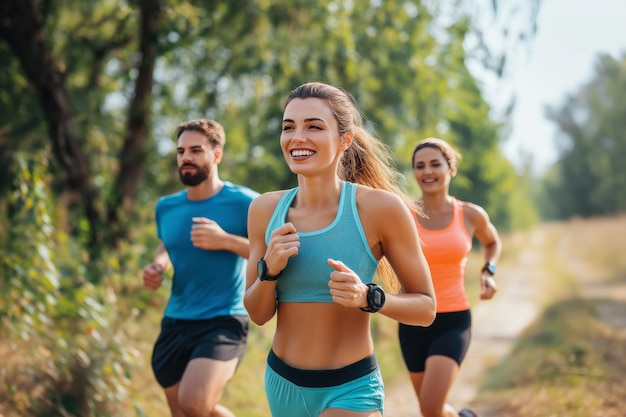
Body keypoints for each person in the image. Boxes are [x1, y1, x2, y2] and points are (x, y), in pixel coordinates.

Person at [243, 81, 436, 417]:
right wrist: (269, 270)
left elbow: (426, 308)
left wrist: (370, 298)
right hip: (282, 384)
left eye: (314, 126)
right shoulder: (263, 210)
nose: (297, 137)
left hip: (351, 387)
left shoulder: (380, 209)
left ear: (345, 140)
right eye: (289, 127)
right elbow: (258, 314)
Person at [142, 119, 259, 417]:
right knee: (184, 411)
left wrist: (226, 240)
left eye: (196, 150)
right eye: (181, 151)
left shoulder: (246, 203)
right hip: (175, 321)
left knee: (194, 404)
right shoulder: (166, 206)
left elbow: (271, 253)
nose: (186, 158)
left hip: (223, 319)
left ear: (216, 155)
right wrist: (158, 265)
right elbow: (167, 243)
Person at [398, 137, 502, 417]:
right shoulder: (403, 214)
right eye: (419, 166)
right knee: (429, 410)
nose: (427, 171)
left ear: (451, 168)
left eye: (435, 164)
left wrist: (488, 270)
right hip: (412, 319)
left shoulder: (469, 214)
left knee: (430, 409)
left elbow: (492, 242)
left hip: (453, 321)